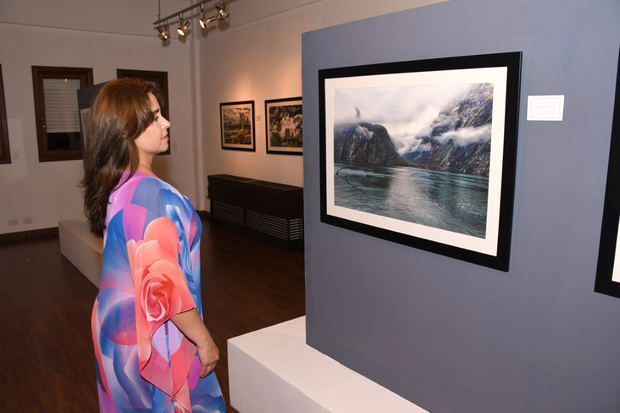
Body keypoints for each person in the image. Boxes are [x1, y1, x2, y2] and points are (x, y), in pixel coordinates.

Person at [82, 78, 226, 412]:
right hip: (153, 337)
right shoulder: (149, 194)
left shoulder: (118, 184)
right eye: (155, 116)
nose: (167, 123)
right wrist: (204, 340)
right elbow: (164, 289)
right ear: (126, 129)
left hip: (118, 331)